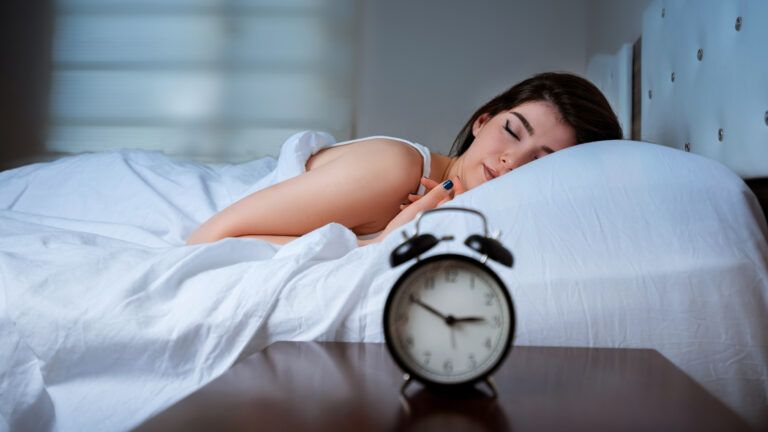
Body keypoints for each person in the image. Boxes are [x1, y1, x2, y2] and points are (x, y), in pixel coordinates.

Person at [186, 72, 623, 247]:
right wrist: (377, 246)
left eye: (540, 162)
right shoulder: (395, 171)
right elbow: (211, 239)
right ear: (482, 120)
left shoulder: (464, 218)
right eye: (511, 131)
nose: (511, 160)